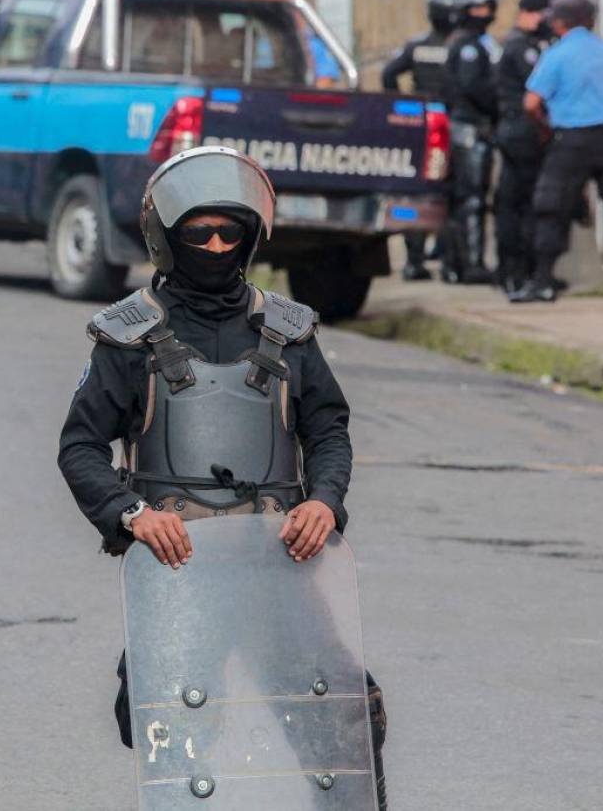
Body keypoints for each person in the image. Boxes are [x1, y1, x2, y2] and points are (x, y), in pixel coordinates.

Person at [57, 146, 387, 809]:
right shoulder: (128, 338)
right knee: (168, 727)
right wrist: (132, 516)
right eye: (198, 232)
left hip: (280, 562)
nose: (214, 244)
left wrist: (324, 501)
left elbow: (327, 431)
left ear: (251, 237)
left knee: (348, 713)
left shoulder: (289, 332)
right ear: (165, 239)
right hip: (180, 573)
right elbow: (81, 448)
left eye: (228, 232)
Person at [513, 0, 603, 302]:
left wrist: (545, 127)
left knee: (551, 208)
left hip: (570, 141)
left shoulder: (557, 54)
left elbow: (531, 102)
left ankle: (543, 281)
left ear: (560, 22)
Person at [382, 0, 458, 280]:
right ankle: (450, 260)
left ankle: (415, 261)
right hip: (451, 128)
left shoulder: (417, 46)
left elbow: (389, 74)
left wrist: (404, 107)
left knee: (416, 192)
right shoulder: (461, 46)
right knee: (453, 193)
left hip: (421, 130)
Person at [493, 0, 554, 295]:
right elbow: (538, 92)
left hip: (513, 131)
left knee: (510, 202)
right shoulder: (521, 48)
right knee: (526, 205)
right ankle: (521, 273)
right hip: (523, 133)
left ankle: (511, 272)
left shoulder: (518, 44)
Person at [442, 0, 500, 285]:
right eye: (477, 7)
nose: (484, 13)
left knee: (465, 199)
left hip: (466, 127)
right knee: (472, 200)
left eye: (488, 7)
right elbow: (474, 87)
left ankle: (457, 264)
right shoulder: (468, 47)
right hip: (469, 129)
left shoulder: (469, 43)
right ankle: (471, 264)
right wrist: (498, 106)